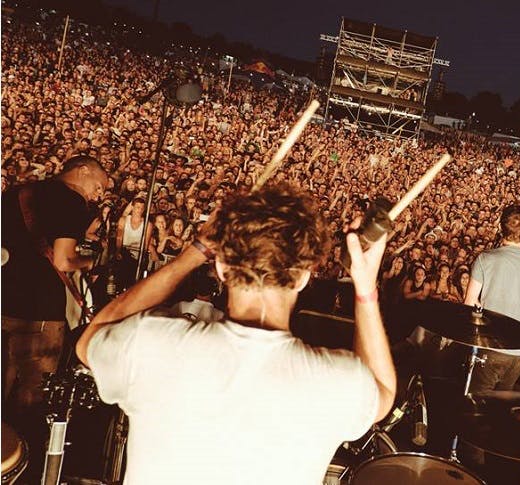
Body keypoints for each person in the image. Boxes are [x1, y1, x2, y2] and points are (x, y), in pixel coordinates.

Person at [76, 183, 396, 484]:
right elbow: (382, 389)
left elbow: (92, 339)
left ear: (221, 268)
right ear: (302, 278)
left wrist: (195, 251)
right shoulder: (337, 380)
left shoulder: (150, 342)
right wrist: (366, 287)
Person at [2, 155, 108, 411]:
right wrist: (91, 262)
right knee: (33, 388)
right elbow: (64, 260)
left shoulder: (18, 192)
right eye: (99, 186)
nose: (98, 195)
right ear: (83, 171)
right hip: (40, 311)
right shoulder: (71, 201)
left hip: (4, 299)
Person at [464, 204, 520, 393]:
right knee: (500, 405)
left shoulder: (485, 258)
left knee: (476, 404)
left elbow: (469, 302)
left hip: (491, 346)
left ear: (499, 226)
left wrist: (492, 304)